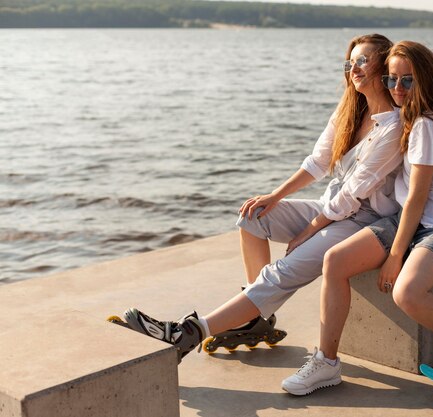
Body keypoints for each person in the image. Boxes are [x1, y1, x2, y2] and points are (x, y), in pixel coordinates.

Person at [120, 34, 405, 362]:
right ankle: (255, 318)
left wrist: (307, 231)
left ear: (383, 67)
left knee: (282, 271)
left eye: (362, 61)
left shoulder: (392, 128)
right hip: (329, 207)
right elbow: (318, 163)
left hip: (360, 221)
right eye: (349, 62)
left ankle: (189, 331)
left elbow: (351, 198)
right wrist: (274, 196)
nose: (353, 69)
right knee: (253, 216)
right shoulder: (349, 111)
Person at [282, 41, 433, 396]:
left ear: (425, 81)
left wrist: (395, 255)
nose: (397, 88)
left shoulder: (428, 125)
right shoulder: (408, 120)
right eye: (391, 79)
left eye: (407, 81)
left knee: (407, 293)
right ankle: (326, 362)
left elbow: (418, 196)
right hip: (406, 220)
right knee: (335, 260)